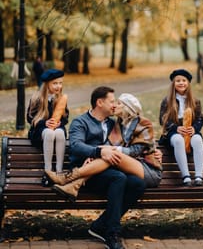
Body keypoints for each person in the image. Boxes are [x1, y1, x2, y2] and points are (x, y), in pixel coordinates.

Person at [46, 87, 161, 249]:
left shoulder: (114, 123)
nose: (114, 105)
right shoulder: (81, 122)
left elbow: (132, 142)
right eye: (112, 101)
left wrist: (155, 151)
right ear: (100, 102)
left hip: (110, 168)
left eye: (117, 102)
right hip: (89, 170)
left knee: (137, 184)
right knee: (118, 177)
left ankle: (99, 224)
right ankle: (112, 233)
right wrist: (99, 151)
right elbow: (76, 146)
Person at [46, 92, 162, 194]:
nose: (115, 105)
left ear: (128, 108)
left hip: (147, 169)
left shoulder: (144, 123)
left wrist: (106, 150)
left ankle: (67, 178)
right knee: (109, 154)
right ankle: (74, 185)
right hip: (127, 165)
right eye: (115, 102)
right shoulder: (118, 123)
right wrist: (96, 154)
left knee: (112, 154)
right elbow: (109, 144)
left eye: (119, 103)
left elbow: (135, 151)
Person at [159, 69, 203, 187]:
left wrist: (194, 129)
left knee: (197, 140)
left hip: (190, 130)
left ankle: (199, 176)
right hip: (173, 133)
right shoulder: (167, 100)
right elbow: (162, 119)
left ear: (188, 83)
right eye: (178, 81)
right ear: (173, 84)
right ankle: (186, 176)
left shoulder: (195, 101)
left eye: (184, 80)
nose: (181, 83)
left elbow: (200, 119)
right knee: (178, 140)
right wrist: (176, 128)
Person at [27, 68, 69, 187]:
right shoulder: (37, 97)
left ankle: (59, 172)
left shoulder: (61, 98)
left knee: (60, 133)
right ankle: (48, 172)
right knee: (50, 133)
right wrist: (44, 123)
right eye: (55, 83)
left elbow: (66, 116)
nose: (58, 86)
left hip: (57, 130)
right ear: (46, 84)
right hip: (40, 132)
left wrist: (60, 123)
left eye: (60, 83)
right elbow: (29, 117)